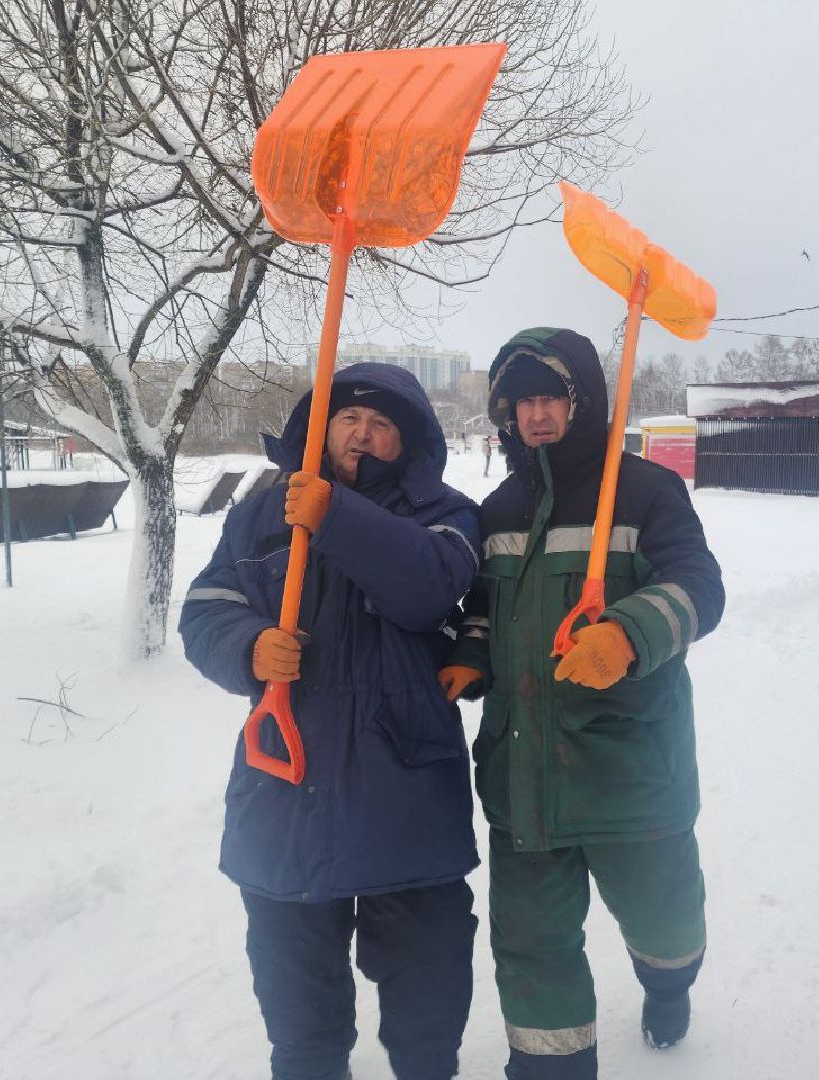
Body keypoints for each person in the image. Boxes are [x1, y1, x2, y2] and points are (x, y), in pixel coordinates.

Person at [179, 362, 482, 1080]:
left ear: (407, 445)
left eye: (382, 425)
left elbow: (425, 589)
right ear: (319, 428)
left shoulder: (445, 513)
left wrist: (335, 516)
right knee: (299, 1009)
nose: (363, 434)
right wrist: (246, 646)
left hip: (403, 792)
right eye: (348, 419)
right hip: (288, 786)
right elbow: (206, 609)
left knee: (426, 996)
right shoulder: (261, 512)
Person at [438, 328, 725, 1080]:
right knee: (531, 949)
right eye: (521, 401)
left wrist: (629, 635)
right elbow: (480, 609)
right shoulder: (498, 510)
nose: (535, 414)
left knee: (666, 923)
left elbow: (699, 585)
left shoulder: (644, 492)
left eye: (550, 397)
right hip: (523, 774)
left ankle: (668, 985)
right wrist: (470, 654)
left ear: (584, 402)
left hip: (628, 771)